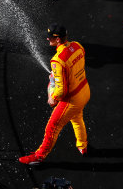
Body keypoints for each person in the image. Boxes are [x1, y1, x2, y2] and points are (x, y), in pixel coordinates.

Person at [18, 23, 90, 165]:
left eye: (50, 37)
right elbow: (76, 66)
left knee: (52, 127)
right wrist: (58, 75)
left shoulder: (58, 60)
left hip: (71, 100)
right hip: (84, 91)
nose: (47, 39)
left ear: (58, 40)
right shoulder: (77, 45)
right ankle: (82, 145)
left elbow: (61, 91)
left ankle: (40, 156)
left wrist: (52, 98)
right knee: (77, 119)